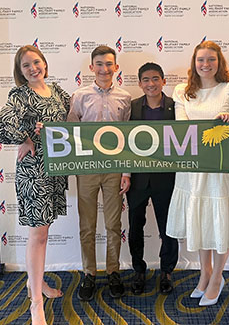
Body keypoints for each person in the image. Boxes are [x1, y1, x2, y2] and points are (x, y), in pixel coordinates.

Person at [166, 41, 229, 306]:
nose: (205, 64)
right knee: (201, 221)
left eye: (211, 59)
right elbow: (183, 131)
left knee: (219, 222)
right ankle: (205, 274)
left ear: (219, 62)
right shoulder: (183, 93)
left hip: (222, 170)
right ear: (194, 62)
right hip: (192, 170)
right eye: (200, 60)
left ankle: (217, 278)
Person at [0, 45, 68, 325]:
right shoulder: (20, 95)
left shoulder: (59, 92)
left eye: (36, 62)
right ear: (20, 71)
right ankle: (36, 302)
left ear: (45, 64)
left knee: (44, 234)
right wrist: (25, 138)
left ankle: (35, 284)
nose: (33, 68)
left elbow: (74, 121)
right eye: (26, 65)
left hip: (56, 169)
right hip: (34, 172)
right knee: (37, 235)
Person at [67, 45, 131, 301]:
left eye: (109, 64)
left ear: (116, 67)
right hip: (86, 170)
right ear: (91, 67)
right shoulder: (79, 96)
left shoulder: (125, 97)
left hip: (115, 170)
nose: (104, 69)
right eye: (99, 64)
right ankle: (89, 274)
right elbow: (70, 134)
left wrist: (127, 172)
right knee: (87, 226)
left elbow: (129, 139)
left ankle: (113, 271)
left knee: (114, 225)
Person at [126, 62, 179, 295]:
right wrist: (125, 174)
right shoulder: (132, 107)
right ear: (139, 83)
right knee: (135, 226)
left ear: (164, 81)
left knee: (168, 226)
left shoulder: (175, 108)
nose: (151, 83)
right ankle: (139, 270)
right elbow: (124, 143)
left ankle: (167, 271)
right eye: (145, 79)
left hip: (166, 178)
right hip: (137, 178)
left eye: (155, 78)